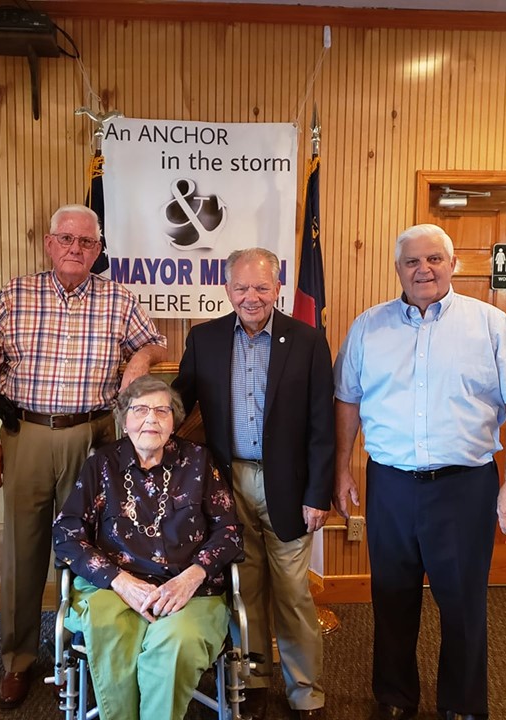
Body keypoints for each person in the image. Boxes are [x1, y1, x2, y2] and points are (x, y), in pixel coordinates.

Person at [333, 223, 506, 720]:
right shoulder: (367, 327)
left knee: (463, 601)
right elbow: (347, 401)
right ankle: (394, 697)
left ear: (453, 265)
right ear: (398, 269)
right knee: (391, 597)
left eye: (433, 259)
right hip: (390, 485)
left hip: (464, 487)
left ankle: (463, 703)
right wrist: (341, 469)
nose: (423, 269)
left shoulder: (490, 324)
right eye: (412, 261)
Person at [0, 203, 168, 710]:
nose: (75, 248)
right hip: (26, 435)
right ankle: (17, 659)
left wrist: (140, 359)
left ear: (98, 249)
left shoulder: (119, 298)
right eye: (66, 238)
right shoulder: (14, 295)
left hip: (93, 438)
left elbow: (155, 344)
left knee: (90, 548)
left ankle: (81, 650)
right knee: (22, 552)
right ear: (49, 243)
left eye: (86, 242)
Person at [173, 247, 334, 720]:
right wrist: (141, 406)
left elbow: (322, 425)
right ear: (227, 289)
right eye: (241, 287)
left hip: (291, 487)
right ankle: (254, 680)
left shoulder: (308, 341)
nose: (251, 297)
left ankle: (305, 691)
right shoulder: (204, 339)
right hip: (228, 484)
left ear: (277, 288)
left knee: (293, 593)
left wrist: (318, 494)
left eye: (261, 287)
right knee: (244, 588)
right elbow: (178, 403)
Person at [53, 375, 244, 720]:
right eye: (140, 410)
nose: (151, 419)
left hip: (189, 593)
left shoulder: (198, 461)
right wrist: (120, 581)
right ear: (124, 419)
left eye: (161, 411)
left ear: (174, 420)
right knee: (112, 635)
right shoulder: (102, 465)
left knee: (174, 645)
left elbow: (228, 531)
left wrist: (191, 577)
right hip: (113, 589)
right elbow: (66, 533)